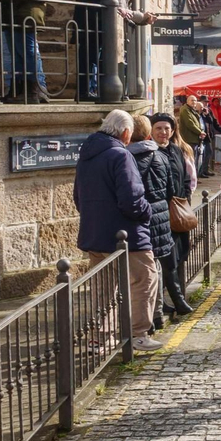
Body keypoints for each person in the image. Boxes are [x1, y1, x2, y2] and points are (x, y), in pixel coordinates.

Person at [73, 110, 159, 349]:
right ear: (125, 132)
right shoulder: (120, 155)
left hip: (95, 232)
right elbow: (132, 199)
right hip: (126, 234)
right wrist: (147, 212)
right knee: (144, 279)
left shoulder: (87, 155)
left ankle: (100, 338)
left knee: (103, 287)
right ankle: (138, 334)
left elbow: (78, 197)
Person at [128, 116, 185, 335]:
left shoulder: (126, 158)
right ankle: (158, 314)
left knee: (143, 271)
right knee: (156, 267)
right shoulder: (160, 156)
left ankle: (146, 319)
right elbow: (171, 189)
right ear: (149, 133)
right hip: (161, 216)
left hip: (142, 219)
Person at [149, 113, 197, 319]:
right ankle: (176, 301)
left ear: (172, 130)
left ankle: (165, 301)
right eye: (158, 128)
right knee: (166, 258)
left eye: (167, 128)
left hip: (178, 211)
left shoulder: (176, 150)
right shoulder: (150, 152)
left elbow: (185, 178)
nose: (163, 132)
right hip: (160, 214)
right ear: (151, 131)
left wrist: (184, 198)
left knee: (178, 254)